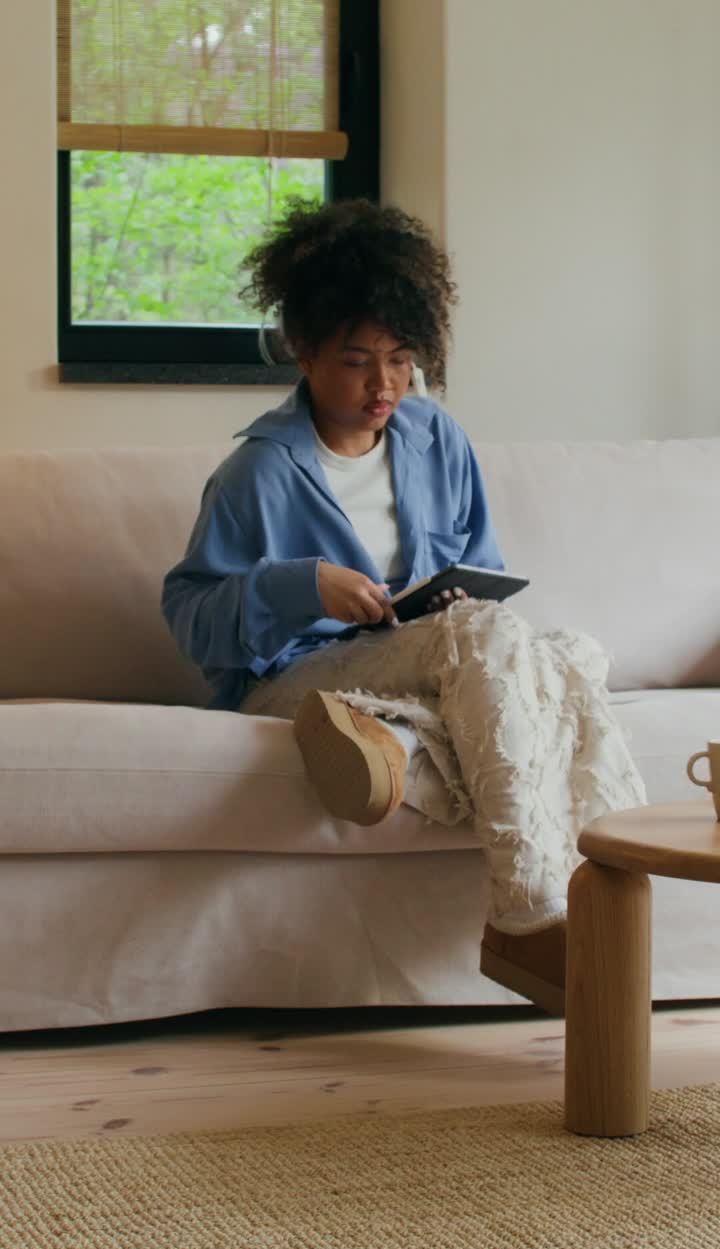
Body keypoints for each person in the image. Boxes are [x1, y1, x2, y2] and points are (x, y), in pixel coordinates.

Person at [162, 198, 645, 1016]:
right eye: (357, 361)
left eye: (400, 359)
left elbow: (482, 570)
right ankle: (530, 912)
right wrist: (299, 585)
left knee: (571, 654)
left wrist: (456, 596)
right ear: (305, 352)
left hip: (424, 661)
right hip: (291, 678)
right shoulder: (260, 473)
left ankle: (393, 750)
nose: (383, 384)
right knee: (501, 648)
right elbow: (191, 619)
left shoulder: (437, 439)